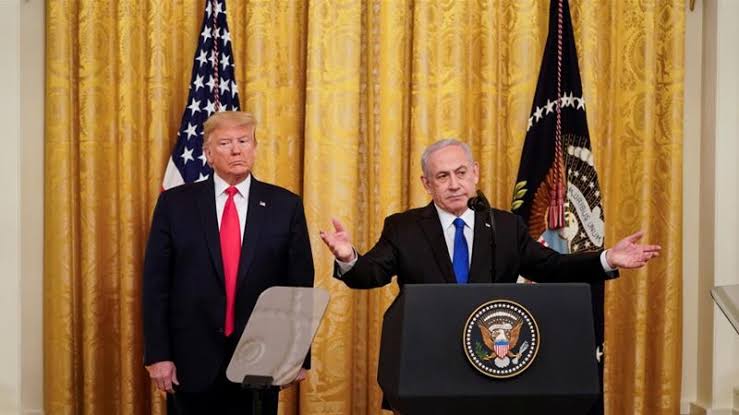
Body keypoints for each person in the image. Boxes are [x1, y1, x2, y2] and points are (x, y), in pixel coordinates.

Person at [142, 111, 314, 415]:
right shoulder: (175, 204)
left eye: (244, 141)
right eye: (225, 143)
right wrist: (158, 354)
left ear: (255, 148)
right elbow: (156, 285)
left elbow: (299, 287)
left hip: (262, 360)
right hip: (190, 361)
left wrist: (297, 354)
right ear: (208, 154)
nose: (236, 150)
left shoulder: (285, 205)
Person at [320, 137, 660, 290]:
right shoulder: (403, 227)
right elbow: (371, 275)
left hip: (492, 355)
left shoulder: (505, 226)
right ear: (427, 184)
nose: (454, 184)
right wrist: (349, 257)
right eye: (442, 176)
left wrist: (607, 258)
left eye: (461, 173)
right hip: (424, 358)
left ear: (475, 173)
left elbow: (553, 267)